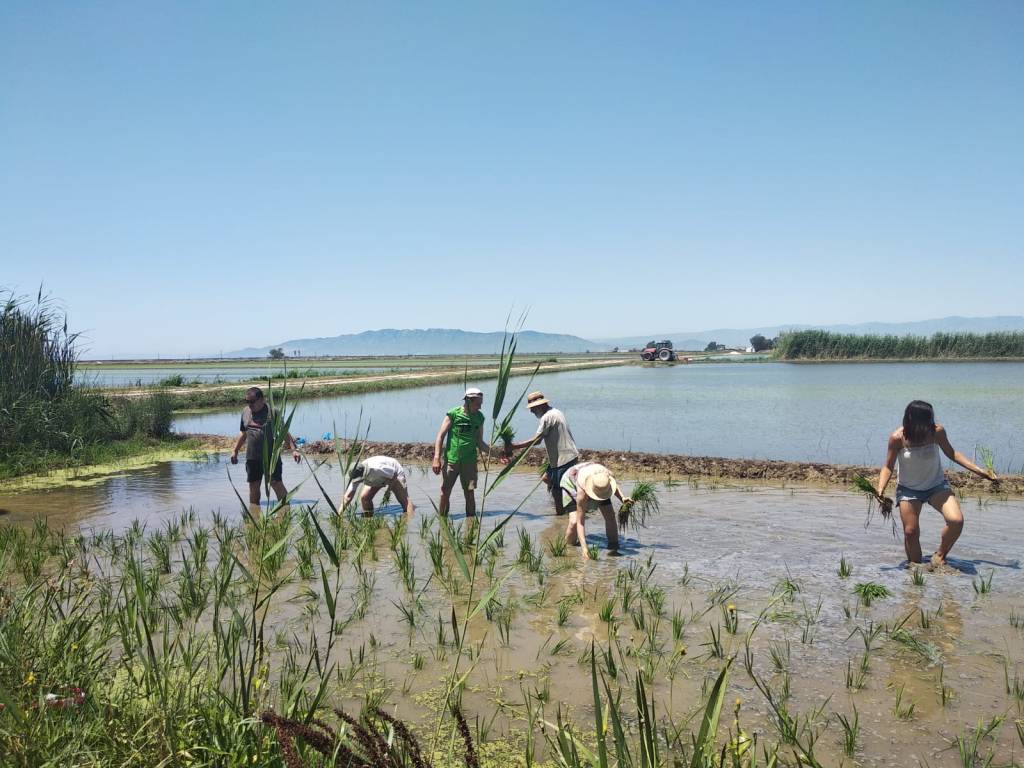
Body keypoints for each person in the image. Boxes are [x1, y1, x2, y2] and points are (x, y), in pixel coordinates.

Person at [876, 400, 997, 567]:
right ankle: (915, 569)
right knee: (910, 532)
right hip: (908, 489)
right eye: (928, 420)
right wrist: (880, 489)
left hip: (936, 486)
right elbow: (888, 466)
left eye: (931, 419)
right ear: (913, 419)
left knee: (956, 521)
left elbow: (952, 453)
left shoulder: (937, 432)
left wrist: (979, 471)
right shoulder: (897, 438)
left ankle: (940, 555)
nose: (932, 423)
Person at [504, 391, 580, 515]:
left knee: (557, 489)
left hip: (563, 459)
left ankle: (561, 515)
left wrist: (514, 446)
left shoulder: (547, 417)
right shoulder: (556, 411)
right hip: (566, 456)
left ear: (539, 406)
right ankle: (570, 502)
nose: (531, 411)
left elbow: (537, 440)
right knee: (546, 478)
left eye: (532, 408)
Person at [230, 386, 301, 506]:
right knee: (253, 486)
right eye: (247, 401)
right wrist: (235, 450)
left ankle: (285, 510)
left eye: (252, 401)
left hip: (271, 456)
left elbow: (284, 432)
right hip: (252, 457)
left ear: (262, 400)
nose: (250, 404)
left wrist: (294, 450)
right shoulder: (245, 412)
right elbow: (243, 433)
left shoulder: (273, 412)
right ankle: (254, 512)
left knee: (276, 483)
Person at [432, 387, 495, 517]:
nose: (480, 407)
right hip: (451, 461)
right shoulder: (453, 414)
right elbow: (440, 436)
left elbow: (480, 443)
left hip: (470, 462)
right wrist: (436, 457)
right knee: (445, 492)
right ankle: (442, 521)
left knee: (470, 493)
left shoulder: (479, 417)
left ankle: (470, 523)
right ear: (468, 401)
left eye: (481, 404)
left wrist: (498, 455)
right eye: (478, 404)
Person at [561, 461, 631, 559]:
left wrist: (622, 498)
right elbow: (580, 522)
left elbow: (613, 485)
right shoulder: (582, 493)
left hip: (596, 479)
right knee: (574, 522)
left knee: (610, 515)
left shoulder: (604, 479)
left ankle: (614, 546)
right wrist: (584, 548)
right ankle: (568, 547)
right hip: (571, 480)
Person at [342, 456, 415, 517]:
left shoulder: (377, 468)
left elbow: (394, 474)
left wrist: (388, 491)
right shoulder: (355, 473)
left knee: (404, 500)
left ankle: (409, 522)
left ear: (364, 473)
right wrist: (339, 515)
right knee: (365, 497)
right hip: (375, 477)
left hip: (394, 473)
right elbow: (348, 497)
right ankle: (369, 519)